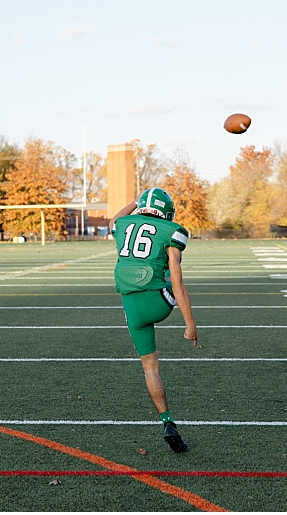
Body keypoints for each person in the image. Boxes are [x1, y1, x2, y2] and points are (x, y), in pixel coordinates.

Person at [109, 187, 198, 453]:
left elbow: (114, 221)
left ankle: (166, 421)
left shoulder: (123, 224)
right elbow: (179, 284)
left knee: (150, 367)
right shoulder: (172, 230)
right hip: (159, 302)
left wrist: (135, 201)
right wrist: (190, 323)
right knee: (171, 274)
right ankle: (168, 423)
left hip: (131, 307)